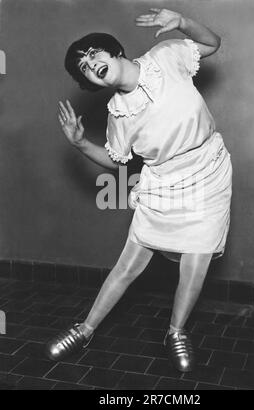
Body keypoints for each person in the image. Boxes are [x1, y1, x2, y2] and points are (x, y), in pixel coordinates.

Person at [45, 8, 232, 373]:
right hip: (162, 182)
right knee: (129, 265)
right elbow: (121, 162)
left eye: (92, 53)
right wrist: (82, 145)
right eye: (83, 67)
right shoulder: (118, 113)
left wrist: (182, 23)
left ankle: (176, 332)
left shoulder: (166, 57)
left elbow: (213, 43)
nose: (90, 64)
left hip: (209, 171)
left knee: (198, 259)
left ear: (113, 51)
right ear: (92, 83)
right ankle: (85, 329)